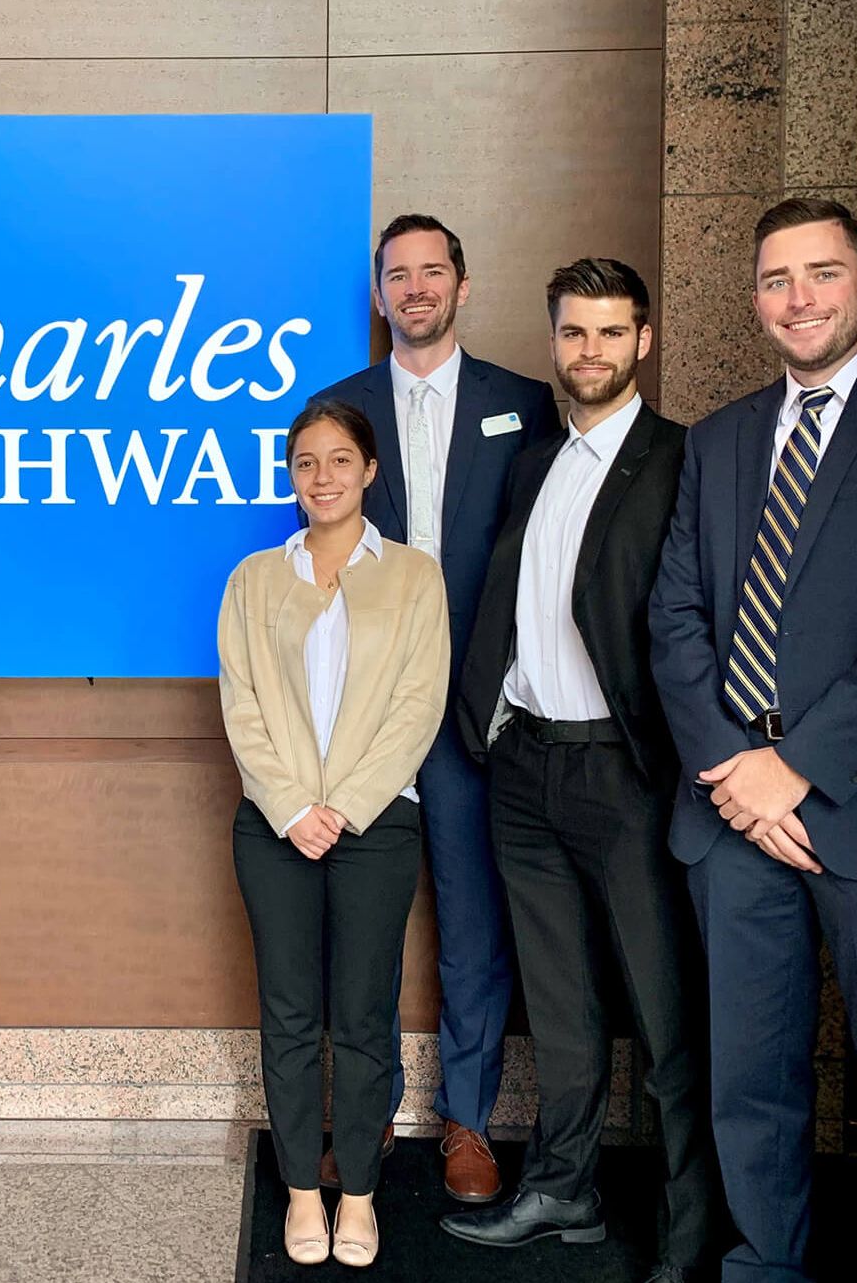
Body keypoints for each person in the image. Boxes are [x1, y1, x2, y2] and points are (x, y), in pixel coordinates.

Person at [648, 198, 857, 1283]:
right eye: (775, 279)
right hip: (729, 814)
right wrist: (738, 777)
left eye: (821, 274)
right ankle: (765, 1261)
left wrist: (793, 767)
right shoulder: (719, 437)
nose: (797, 298)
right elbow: (674, 617)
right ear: (752, 299)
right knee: (749, 1074)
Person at [445, 259, 718, 1282]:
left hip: (623, 772)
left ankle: (694, 1230)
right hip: (523, 766)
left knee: (661, 1010)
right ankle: (563, 1188)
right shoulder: (534, 457)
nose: (588, 352)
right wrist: (485, 724)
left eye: (608, 333)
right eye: (571, 333)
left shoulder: (679, 460)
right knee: (558, 1003)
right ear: (553, 340)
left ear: (641, 340)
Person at [315, 212, 558, 1201]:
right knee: (360, 929)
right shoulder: (337, 407)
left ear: (461, 286)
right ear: (376, 295)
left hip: (472, 716)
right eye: (396, 274)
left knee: (471, 924)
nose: (414, 288)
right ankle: (360, 1118)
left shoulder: (525, 406)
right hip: (367, 717)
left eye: (432, 271)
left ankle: (466, 1119)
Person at [218, 398, 450, 1269]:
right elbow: (241, 709)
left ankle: (357, 1192)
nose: (323, 477)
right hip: (273, 829)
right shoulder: (252, 579)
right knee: (287, 1014)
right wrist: (291, 807)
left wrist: (344, 805)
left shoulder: (414, 576)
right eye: (307, 462)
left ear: (370, 471)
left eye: (340, 460)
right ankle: (301, 1196)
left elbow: (417, 705)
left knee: (361, 1015)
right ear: (292, 474)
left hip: (377, 826)